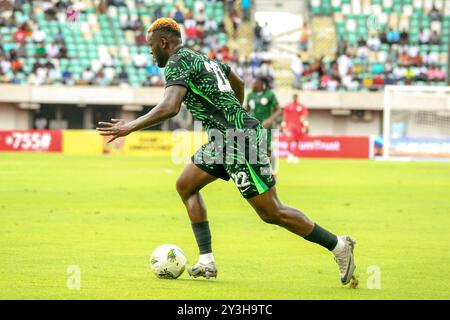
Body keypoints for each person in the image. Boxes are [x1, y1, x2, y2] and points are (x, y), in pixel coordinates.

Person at [96, 18, 357, 286]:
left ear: (163, 42)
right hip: (223, 140)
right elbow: (239, 82)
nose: (151, 52)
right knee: (185, 185)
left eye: (152, 46)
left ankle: (338, 245)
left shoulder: (177, 62)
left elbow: (170, 107)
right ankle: (207, 261)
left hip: (238, 139)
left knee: (271, 212)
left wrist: (131, 126)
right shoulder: (203, 59)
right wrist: (233, 112)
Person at [245, 76, 281, 174]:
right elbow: (246, 109)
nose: (252, 85)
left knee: (267, 150)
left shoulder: (270, 95)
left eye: (254, 83)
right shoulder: (250, 95)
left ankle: (269, 172)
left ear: (261, 85)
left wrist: (270, 119)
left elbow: (278, 109)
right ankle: (258, 173)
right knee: (253, 150)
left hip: (266, 128)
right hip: (252, 127)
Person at [282, 93, 308, 163]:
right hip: (290, 126)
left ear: (297, 97)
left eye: (296, 97)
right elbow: (285, 115)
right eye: (294, 97)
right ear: (293, 97)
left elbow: (304, 115)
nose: (295, 98)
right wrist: (284, 122)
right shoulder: (288, 106)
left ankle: (295, 156)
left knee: (297, 142)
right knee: (289, 140)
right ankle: (290, 155)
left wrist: (304, 124)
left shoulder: (301, 106)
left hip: (299, 126)